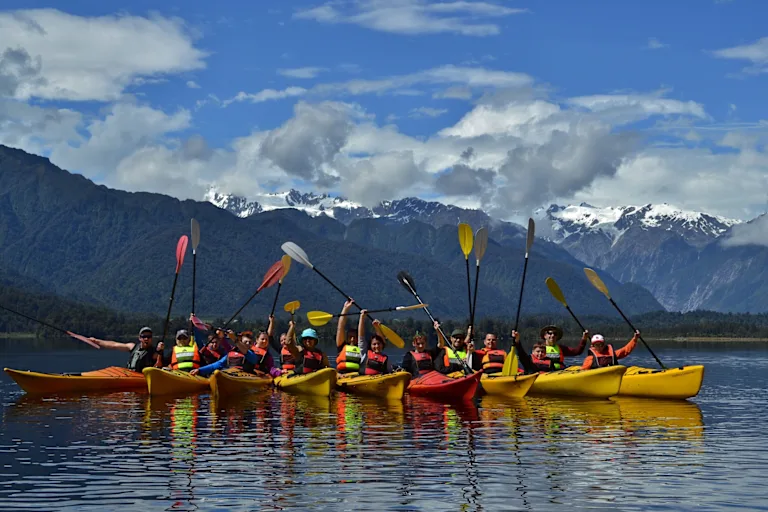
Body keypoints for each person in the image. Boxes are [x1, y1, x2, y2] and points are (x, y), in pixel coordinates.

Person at [191, 329, 282, 378]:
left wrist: (234, 339)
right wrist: (200, 370)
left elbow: (247, 353)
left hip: (245, 377)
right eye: (245, 342)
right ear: (241, 342)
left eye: (249, 343)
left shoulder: (252, 356)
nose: (247, 344)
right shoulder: (231, 353)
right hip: (230, 374)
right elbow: (216, 365)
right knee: (217, 370)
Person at [88, 326, 163, 372]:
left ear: (151, 338)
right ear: (140, 338)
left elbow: (159, 365)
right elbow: (114, 345)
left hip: (141, 377)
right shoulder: (132, 347)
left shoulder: (154, 351)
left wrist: (160, 351)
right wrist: (96, 341)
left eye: (149, 336)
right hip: (130, 374)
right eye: (144, 336)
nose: (146, 338)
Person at [357, 309, 393, 375]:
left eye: (378, 344)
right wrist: (362, 317)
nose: (376, 346)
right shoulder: (364, 354)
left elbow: (382, 339)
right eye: (374, 344)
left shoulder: (386, 359)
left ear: (382, 345)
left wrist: (377, 327)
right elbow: (361, 336)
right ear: (370, 345)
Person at [336, 299, 363, 375]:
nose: (352, 339)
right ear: (346, 337)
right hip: (342, 375)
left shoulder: (361, 348)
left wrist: (362, 316)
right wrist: (345, 308)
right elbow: (340, 327)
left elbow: (361, 333)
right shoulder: (341, 346)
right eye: (350, 336)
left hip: (356, 377)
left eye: (355, 337)